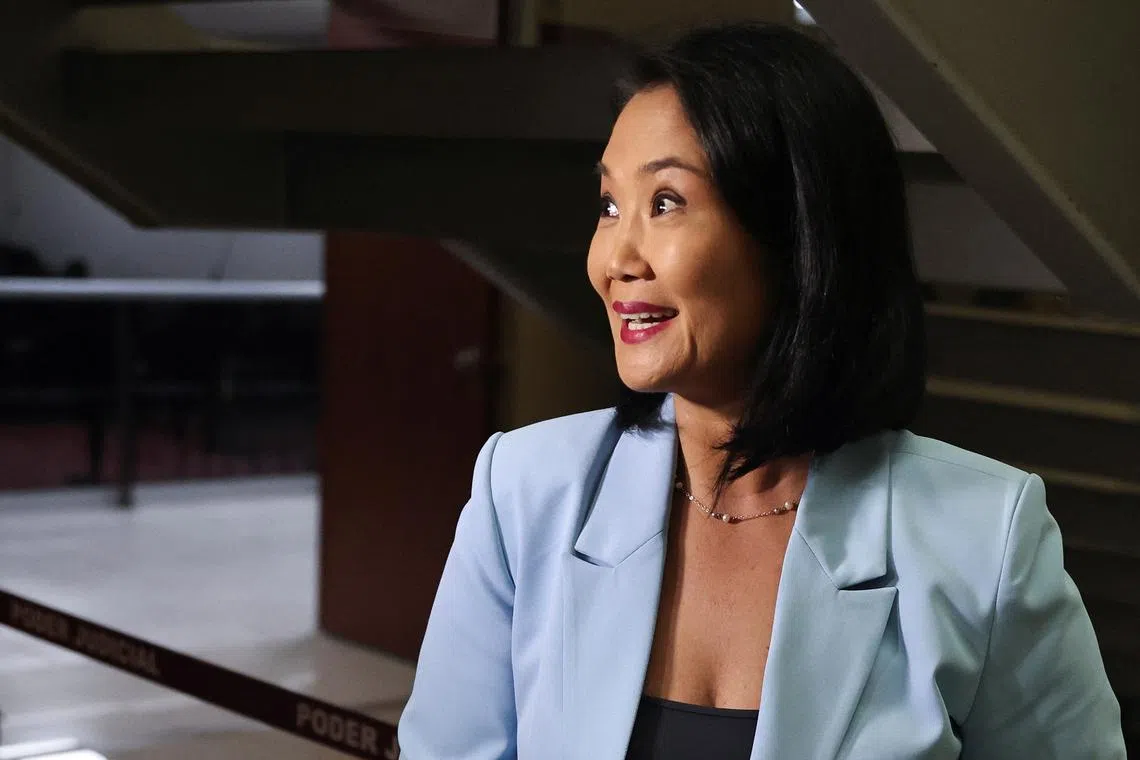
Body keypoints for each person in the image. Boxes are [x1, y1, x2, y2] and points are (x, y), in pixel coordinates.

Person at [396, 22, 1126, 759]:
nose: (614, 258)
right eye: (610, 205)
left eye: (667, 202)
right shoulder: (522, 493)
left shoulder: (985, 538)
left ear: (797, 233)